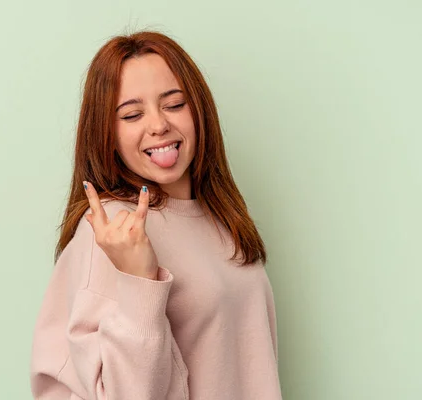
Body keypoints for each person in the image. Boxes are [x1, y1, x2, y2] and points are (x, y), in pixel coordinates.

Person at [30, 31, 282, 400]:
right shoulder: (114, 229)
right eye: (132, 114)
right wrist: (140, 281)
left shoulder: (221, 217)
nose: (158, 125)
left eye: (175, 104)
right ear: (107, 134)